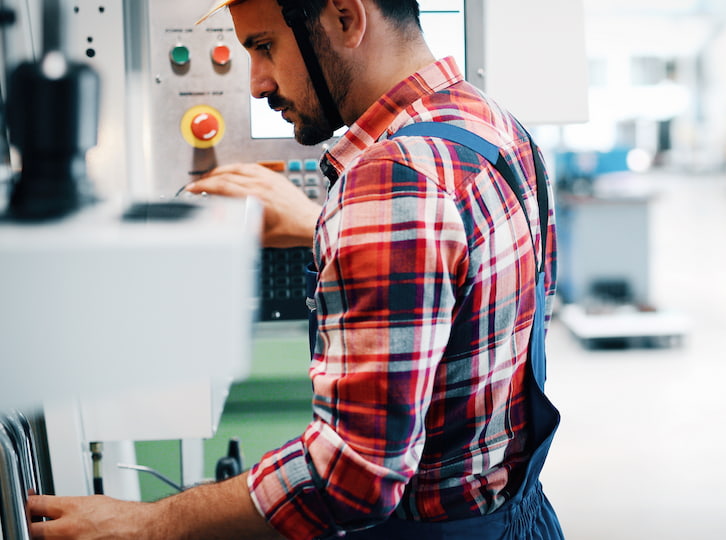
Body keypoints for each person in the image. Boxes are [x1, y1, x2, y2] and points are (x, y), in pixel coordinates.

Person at [26, 0, 563, 538]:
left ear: (345, 18)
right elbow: (471, 291)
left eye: (265, 47)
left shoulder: (392, 180)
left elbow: (353, 474)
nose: (257, 84)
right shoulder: (493, 124)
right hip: (519, 516)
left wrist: (148, 523)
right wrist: (324, 228)